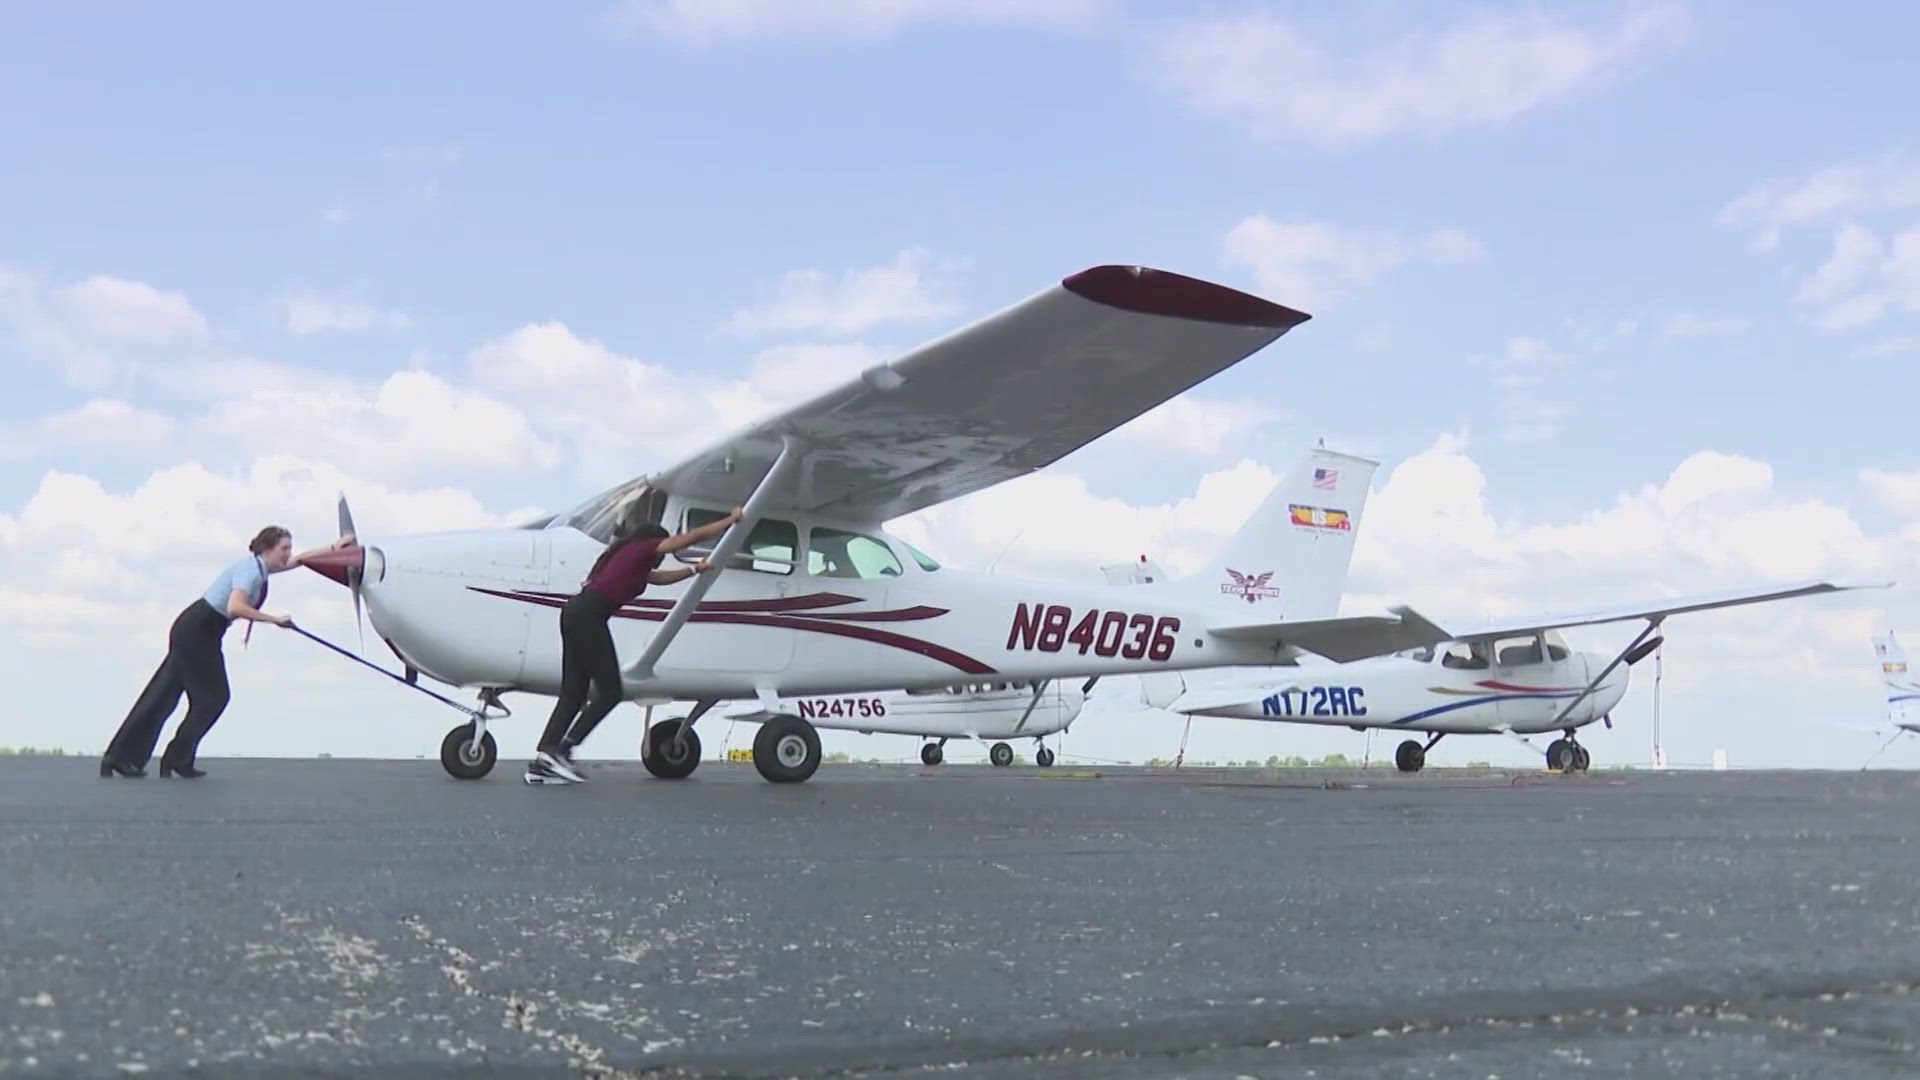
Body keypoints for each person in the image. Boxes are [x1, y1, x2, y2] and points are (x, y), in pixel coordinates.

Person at [100, 526, 355, 779]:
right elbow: (235, 606)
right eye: (284, 548)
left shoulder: (260, 567)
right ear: (267, 549)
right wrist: (274, 619)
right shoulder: (250, 572)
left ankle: (121, 758)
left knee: (163, 694)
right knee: (214, 698)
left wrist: (334, 548)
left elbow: (300, 560)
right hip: (198, 630)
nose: (288, 553)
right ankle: (174, 759)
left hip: (199, 628)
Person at [527, 505, 744, 784]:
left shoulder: (625, 556)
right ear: (653, 541)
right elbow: (688, 539)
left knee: (573, 693)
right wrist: (729, 520)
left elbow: (658, 579)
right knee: (610, 692)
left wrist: (693, 570)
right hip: (589, 616)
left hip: (575, 612)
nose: (661, 559)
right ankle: (563, 750)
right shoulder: (645, 547)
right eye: (661, 551)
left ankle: (544, 758)